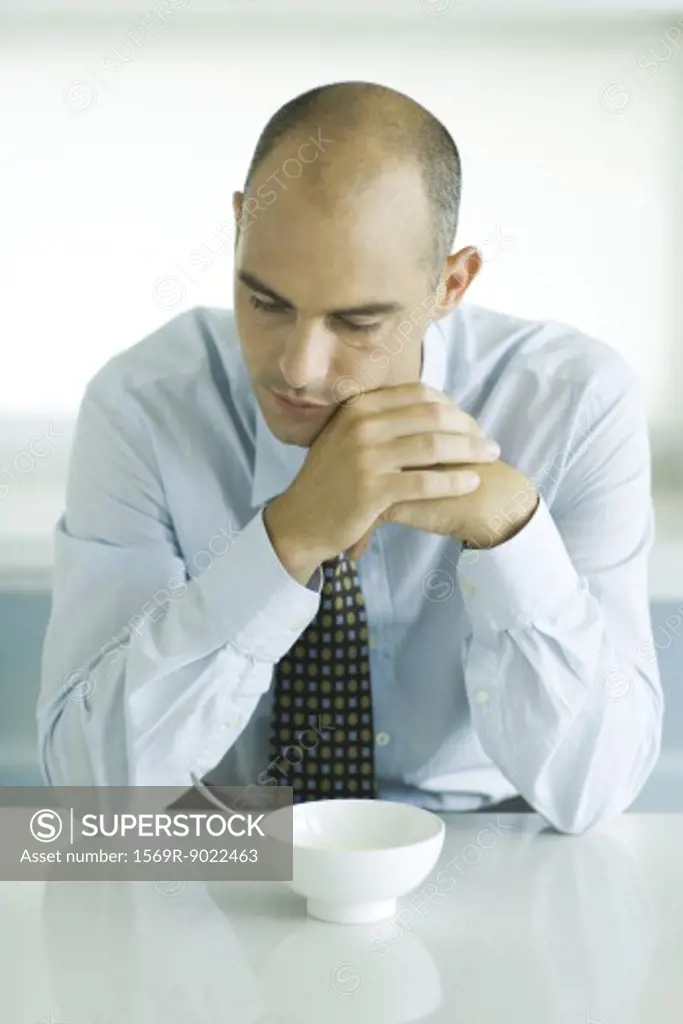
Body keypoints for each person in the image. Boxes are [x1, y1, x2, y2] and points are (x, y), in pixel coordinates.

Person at [37, 81, 662, 834]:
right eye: (265, 303)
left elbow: (597, 787)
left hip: (484, 843)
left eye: (358, 321)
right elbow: (92, 797)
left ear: (450, 284)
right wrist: (288, 540)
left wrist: (509, 531)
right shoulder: (143, 405)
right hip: (229, 846)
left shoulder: (572, 405)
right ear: (238, 228)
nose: (298, 367)